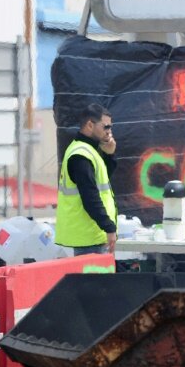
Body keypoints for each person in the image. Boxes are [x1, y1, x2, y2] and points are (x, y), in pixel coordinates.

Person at [55, 103, 119, 256]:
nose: (109, 132)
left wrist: (109, 155)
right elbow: (90, 197)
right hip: (88, 239)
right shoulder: (81, 156)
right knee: (93, 280)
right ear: (90, 125)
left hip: (92, 236)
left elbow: (100, 183)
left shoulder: (87, 150)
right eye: (106, 127)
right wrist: (109, 227)